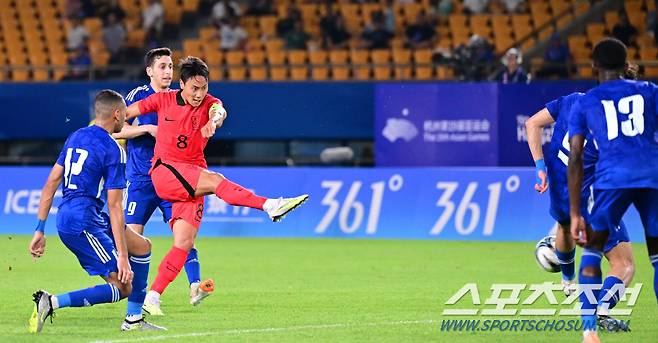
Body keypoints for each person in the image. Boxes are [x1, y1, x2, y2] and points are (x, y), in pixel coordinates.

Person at [124, 56, 309, 315]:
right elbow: (126, 113)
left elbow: (219, 111)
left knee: (184, 242)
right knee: (216, 181)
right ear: (182, 84)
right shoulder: (162, 100)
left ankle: (153, 296)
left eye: (204, 88)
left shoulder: (211, 104)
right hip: (164, 171)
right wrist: (109, 126)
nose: (200, 94)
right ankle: (270, 205)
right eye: (194, 88)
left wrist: (214, 120)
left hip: (192, 174)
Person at [27, 90, 164, 332]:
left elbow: (51, 182)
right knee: (123, 286)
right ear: (117, 114)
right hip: (82, 222)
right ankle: (51, 301)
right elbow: (115, 206)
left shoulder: (76, 136)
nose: (126, 119)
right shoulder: (113, 149)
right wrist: (122, 256)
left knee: (142, 247)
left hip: (85, 214)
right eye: (125, 114)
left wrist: (39, 228)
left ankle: (133, 319)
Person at [568, 38, 658, 342]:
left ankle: (589, 329)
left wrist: (576, 212)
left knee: (592, 251)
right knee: (657, 258)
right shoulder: (649, 92)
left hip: (611, 181)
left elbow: (576, 157)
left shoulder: (586, 102)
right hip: (651, 178)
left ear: (594, 66)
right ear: (625, 65)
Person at [113, 48, 214, 309]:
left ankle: (195, 286)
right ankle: (133, 296)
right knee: (133, 237)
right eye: (162, 67)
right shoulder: (139, 96)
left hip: (174, 177)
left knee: (184, 235)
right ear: (149, 71)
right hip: (142, 180)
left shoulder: (182, 98)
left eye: (170, 66)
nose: (168, 71)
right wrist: (147, 128)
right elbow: (116, 128)